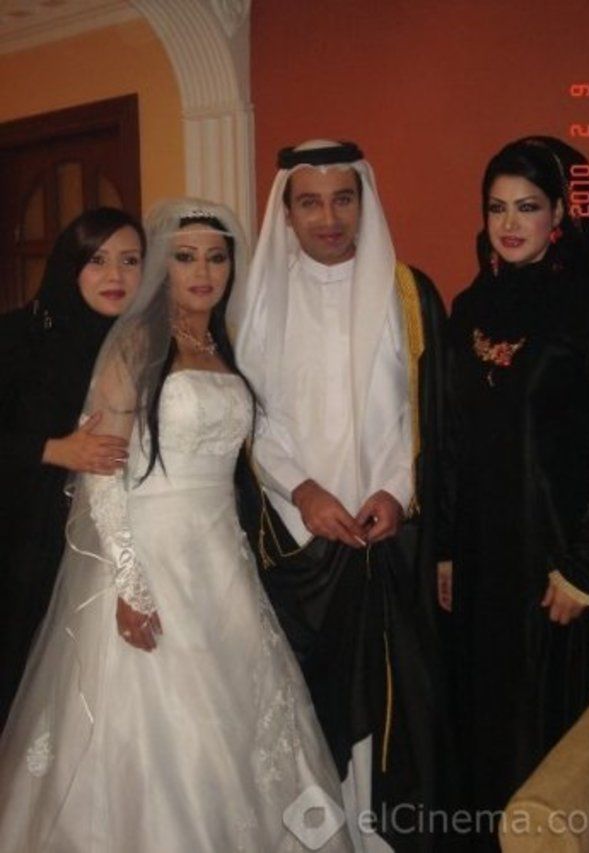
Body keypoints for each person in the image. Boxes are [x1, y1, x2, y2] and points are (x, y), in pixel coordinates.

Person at [0, 197, 351, 852]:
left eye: (217, 258)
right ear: (164, 267)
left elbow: (254, 447)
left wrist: (305, 490)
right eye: (185, 257)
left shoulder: (224, 345)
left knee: (246, 719)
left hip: (221, 557)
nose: (203, 272)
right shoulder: (136, 344)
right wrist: (130, 582)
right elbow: (104, 473)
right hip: (150, 555)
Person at [228, 140, 449, 850]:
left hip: (389, 538)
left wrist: (396, 491)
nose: (329, 218)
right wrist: (303, 491)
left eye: (343, 199)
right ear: (287, 212)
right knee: (309, 708)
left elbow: (425, 413)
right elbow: (251, 420)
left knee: (393, 712)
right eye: (311, 202)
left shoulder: (408, 293)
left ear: (363, 203)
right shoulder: (256, 300)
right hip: (298, 543)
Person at [441, 136, 589, 849]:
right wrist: (445, 550)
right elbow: (452, 439)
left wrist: (584, 571)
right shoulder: (468, 308)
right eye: (496, 207)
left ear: (559, 213)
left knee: (551, 743)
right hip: (483, 564)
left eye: (527, 206)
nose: (509, 223)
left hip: (560, 570)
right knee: (482, 726)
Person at [0, 207, 145, 728]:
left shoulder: (145, 344)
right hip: (26, 542)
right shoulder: (17, 337)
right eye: (97, 260)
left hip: (117, 549)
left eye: (130, 260)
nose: (115, 275)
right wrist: (51, 449)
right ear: (70, 265)